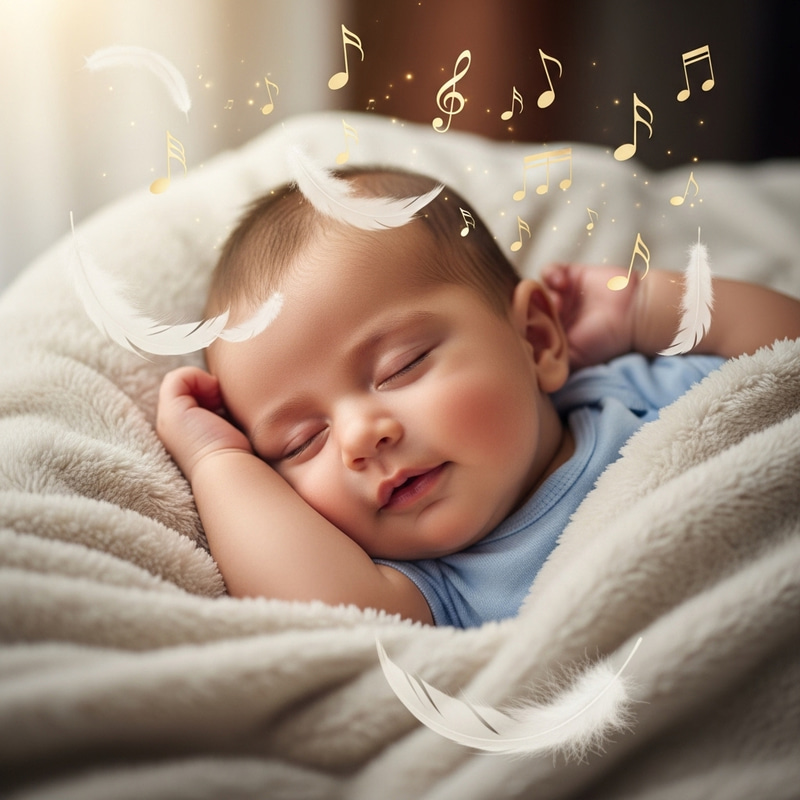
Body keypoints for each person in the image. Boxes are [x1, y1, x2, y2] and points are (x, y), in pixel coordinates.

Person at [156, 166, 800, 628]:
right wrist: (219, 462)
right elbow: (318, 605)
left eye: (402, 366)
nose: (359, 436)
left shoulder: (629, 392)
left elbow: (783, 360)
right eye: (301, 441)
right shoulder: (439, 588)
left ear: (537, 338)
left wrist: (641, 311)